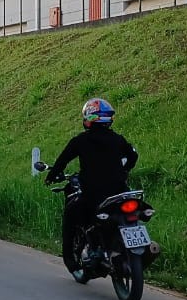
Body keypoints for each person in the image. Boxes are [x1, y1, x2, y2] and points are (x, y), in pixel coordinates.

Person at [45, 98, 139, 269]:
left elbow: (62, 160)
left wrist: (51, 176)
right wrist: (125, 170)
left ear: (89, 119)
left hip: (93, 195)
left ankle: (70, 260)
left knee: (70, 214)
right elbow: (133, 155)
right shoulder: (117, 139)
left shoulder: (81, 140)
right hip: (120, 192)